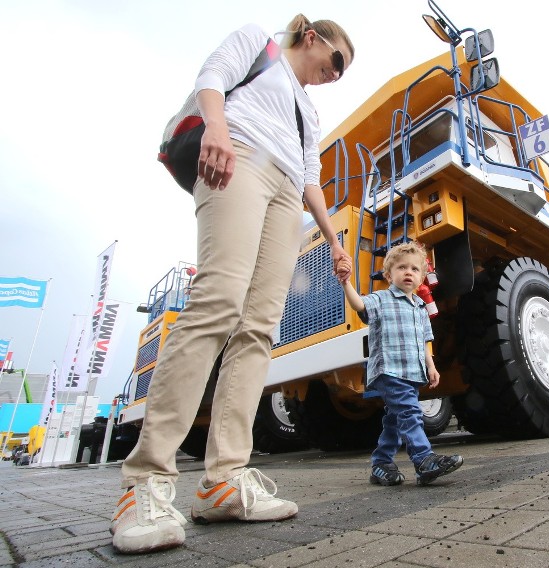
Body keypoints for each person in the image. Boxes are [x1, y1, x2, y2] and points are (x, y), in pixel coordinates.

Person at [111, 15, 355, 554]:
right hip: (238, 154)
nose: (336, 74)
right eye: (336, 61)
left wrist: (334, 240)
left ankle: (225, 478)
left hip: (287, 194)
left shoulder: (308, 112)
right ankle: (145, 482)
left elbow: (312, 173)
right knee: (217, 302)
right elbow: (214, 74)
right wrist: (216, 130)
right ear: (312, 37)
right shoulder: (259, 43)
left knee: (260, 329)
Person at [337, 242, 463, 487]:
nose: (408, 272)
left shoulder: (420, 308)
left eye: (415, 269)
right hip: (389, 369)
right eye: (402, 268)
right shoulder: (381, 299)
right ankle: (424, 460)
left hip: (412, 371)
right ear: (388, 275)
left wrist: (431, 365)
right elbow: (359, 305)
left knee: (395, 419)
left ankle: (381, 464)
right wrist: (346, 283)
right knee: (410, 412)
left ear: (422, 277)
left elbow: (426, 339)